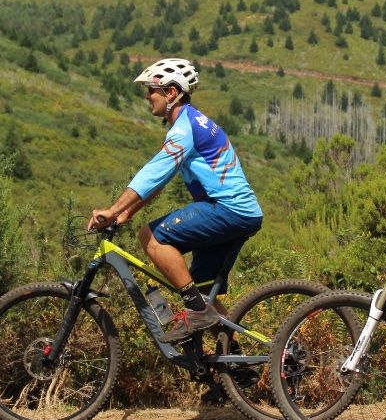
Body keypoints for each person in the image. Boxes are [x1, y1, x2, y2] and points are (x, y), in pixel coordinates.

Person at [88, 57, 264, 343]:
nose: (147, 96)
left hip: (228, 210)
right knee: (203, 295)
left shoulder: (185, 129)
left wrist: (111, 210)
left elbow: (153, 172)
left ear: (171, 92)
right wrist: (126, 213)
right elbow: (160, 180)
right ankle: (236, 366)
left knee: (152, 237)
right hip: (237, 212)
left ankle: (196, 311)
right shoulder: (191, 123)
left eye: (152, 90)